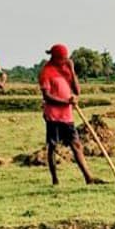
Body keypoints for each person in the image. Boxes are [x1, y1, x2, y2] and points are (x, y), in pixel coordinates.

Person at [39, 44, 95, 185]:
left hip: (67, 116)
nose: (64, 60)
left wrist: (72, 69)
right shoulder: (46, 72)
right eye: (62, 58)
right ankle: (55, 180)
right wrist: (65, 102)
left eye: (66, 58)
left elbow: (77, 91)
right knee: (53, 147)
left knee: (76, 144)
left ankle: (89, 178)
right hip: (53, 116)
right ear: (55, 57)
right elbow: (46, 96)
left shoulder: (66, 69)